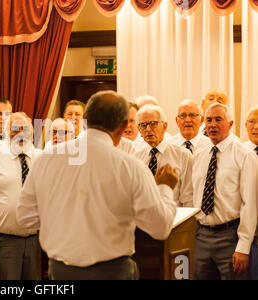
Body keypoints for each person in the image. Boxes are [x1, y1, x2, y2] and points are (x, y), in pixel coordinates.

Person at [16, 90, 178, 280]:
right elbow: (160, 228)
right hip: (112, 271)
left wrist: (62, 223)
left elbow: (25, 218)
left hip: (61, 271)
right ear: (124, 125)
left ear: (85, 119)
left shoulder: (47, 159)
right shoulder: (130, 166)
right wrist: (165, 188)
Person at [192, 103, 257, 280]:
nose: (212, 124)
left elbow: (250, 204)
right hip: (201, 236)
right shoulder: (200, 153)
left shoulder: (244, 155)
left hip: (231, 237)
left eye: (218, 119)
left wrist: (243, 247)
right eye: (209, 120)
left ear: (230, 124)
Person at [0, 112, 42, 279]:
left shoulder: (43, 159)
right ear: (6, 134)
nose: (21, 133)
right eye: (14, 130)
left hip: (37, 242)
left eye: (25, 129)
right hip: (5, 242)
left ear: (33, 131)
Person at [134, 105, 193, 207]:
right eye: (143, 125)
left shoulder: (183, 155)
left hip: (175, 219)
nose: (148, 129)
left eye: (153, 124)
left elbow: (188, 198)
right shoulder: (135, 158)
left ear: (164, 126)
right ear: (139, 129)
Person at [242, 105, 258, 280]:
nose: (256, 127)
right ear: (245, 125)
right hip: (244, 234)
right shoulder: (239, 152)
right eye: (252, 122)